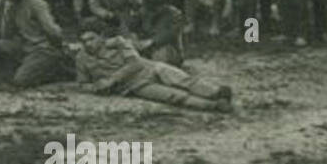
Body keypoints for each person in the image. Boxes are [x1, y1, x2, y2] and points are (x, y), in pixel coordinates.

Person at [74, 29, 232, 112]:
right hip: (135, 86)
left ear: (101, 37)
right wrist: (96, 87)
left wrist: (111, 79)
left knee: (182, 79)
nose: (88, 44)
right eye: (84, 41)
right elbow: (82, 84)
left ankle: (214, 92)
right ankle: (213, 106)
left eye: (91, 38)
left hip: (150, 68)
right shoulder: (81, 58)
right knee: (174, 97)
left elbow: (135, 63)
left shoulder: (119, 43)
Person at [0, 0, 70, 87]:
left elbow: (53, 31)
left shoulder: (37, 4)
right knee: (1, 44)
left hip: (43, 49)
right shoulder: (10, 6)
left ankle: (56, 69)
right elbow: (6, 34)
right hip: (26, 47)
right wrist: (5, 11)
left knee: (20, 81)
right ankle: (30, 67)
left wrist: (58, 48)